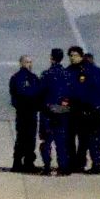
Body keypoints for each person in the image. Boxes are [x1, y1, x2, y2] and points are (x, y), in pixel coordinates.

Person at [67, 46, 100, 174]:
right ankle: (97, 164)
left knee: (85, 138)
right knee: (98, 138)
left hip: (85, 110)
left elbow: (77, 92)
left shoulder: (79, 73)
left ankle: (80, 163)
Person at [38, 48, 73, 176]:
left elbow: (40, 91)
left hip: (48, 110)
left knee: (46, 141)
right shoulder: (67, 74)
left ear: (51, 58)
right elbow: (71, 91)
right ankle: (63, 167)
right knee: (61, 141)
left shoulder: (46, 74)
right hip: (62, 110)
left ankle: (47, 166)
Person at [8, 55, 41, 173]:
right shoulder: (22, 78)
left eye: (30, 62)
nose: (29, 64)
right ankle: (23, 162)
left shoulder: (29, 78)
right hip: (26, 112)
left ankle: (23, 162)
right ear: (21, 63)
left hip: (26, 112)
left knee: (25, 137)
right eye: (27, 62)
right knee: (25, 138)